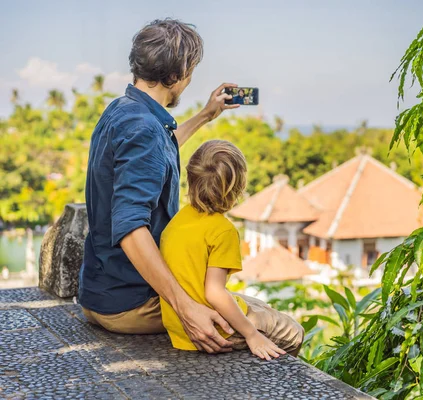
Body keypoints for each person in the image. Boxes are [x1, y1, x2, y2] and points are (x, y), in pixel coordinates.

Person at [78, 19, 241, 354]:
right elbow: (130, 228)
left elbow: (157, 154)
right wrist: (185, 308)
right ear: (177, 74)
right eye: (191, 69)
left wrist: (205, 116)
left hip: (99, 294)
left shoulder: (124, 111)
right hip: (131, 302)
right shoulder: (145, 129)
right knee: (277, 329)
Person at [160, 140, 304, 358]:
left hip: (175, 322)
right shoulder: (223, 230)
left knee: (261, 306)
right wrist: (251, 334)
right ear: (237, 188)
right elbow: (215, 293)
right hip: (212, 327)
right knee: (293, 332)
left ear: (190, 179)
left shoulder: (179, 219)